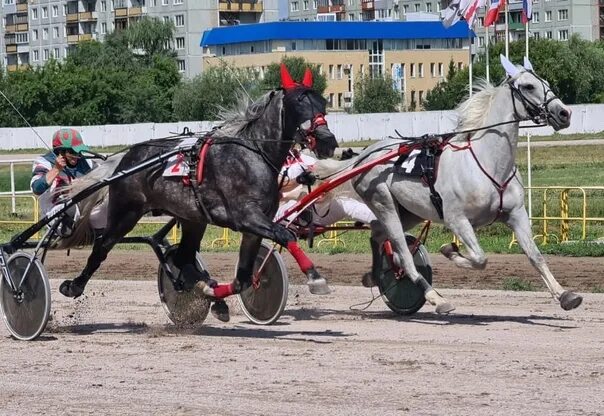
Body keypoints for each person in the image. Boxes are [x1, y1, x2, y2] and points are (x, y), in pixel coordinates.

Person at [276, 149, 383, 287]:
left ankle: (387, 226)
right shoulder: (269, 163)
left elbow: (323, 172)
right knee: (305, 193)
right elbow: (276, 184)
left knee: (345, 202)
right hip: (284, 212)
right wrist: (298, 182)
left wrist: (343, 165)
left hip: (315, 210)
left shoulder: (302, 158)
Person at [30, 128, 105, 237]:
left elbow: (105, 176)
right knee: (70, 207)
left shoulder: (87, 163)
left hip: (83, 212)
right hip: (54, 213)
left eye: (78, 151)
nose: (77, 155)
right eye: (72, 152)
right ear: (60, 152)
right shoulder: (44, 162)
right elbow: (36, 188)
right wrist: (56, 169)